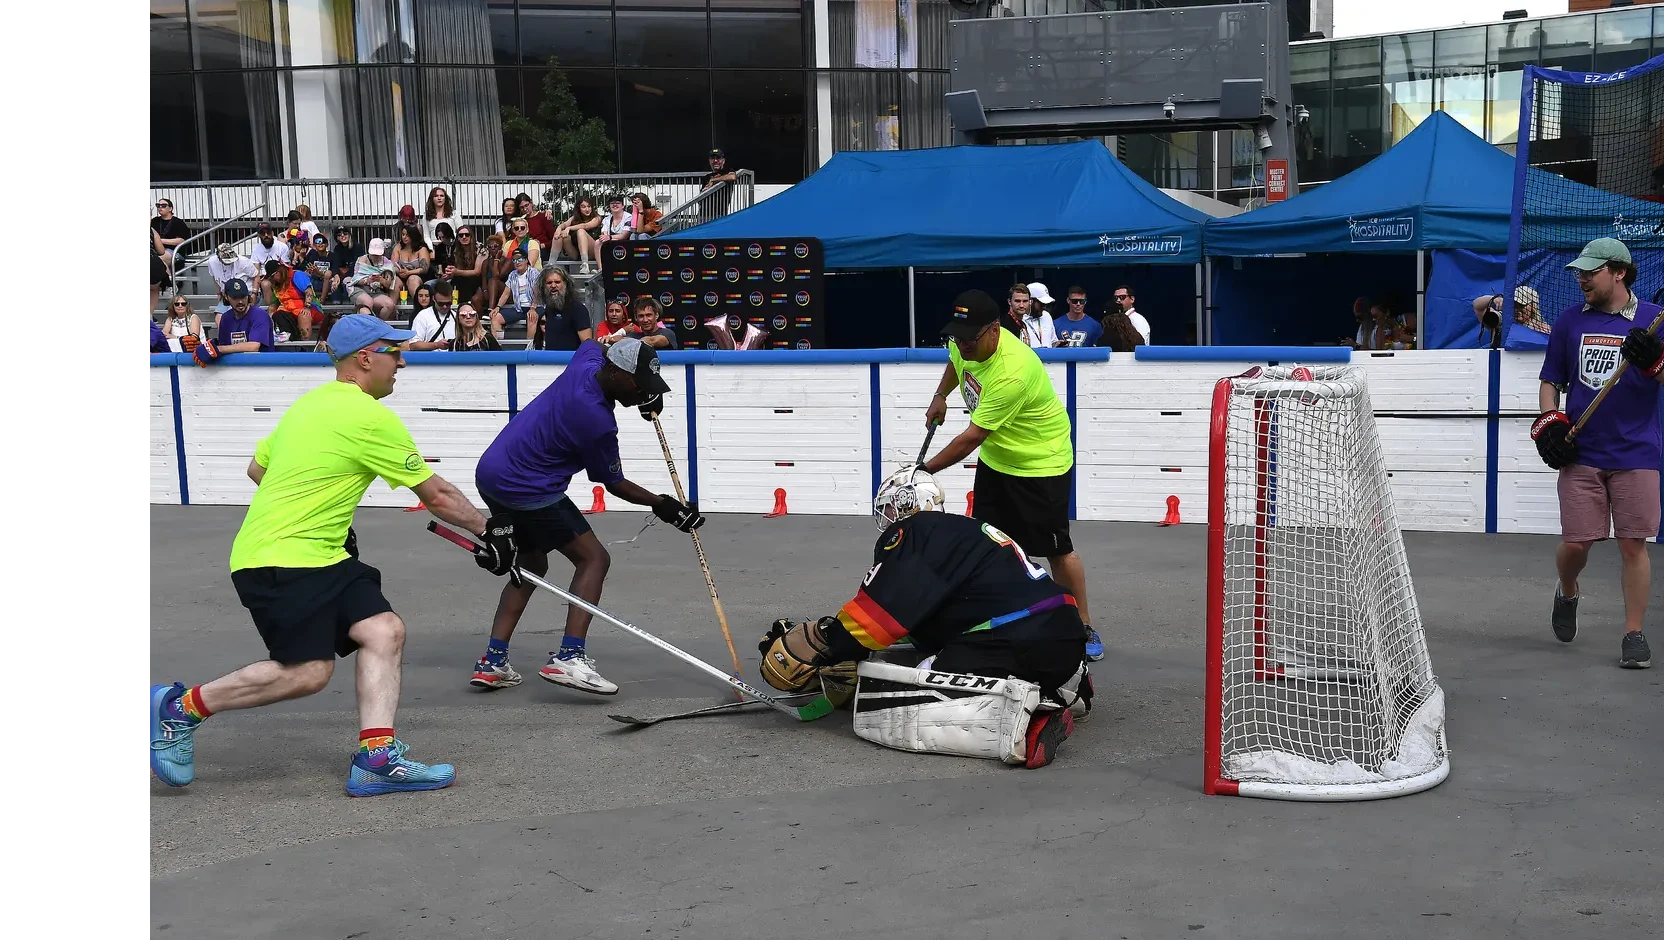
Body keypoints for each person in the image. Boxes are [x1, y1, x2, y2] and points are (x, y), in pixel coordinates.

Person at [147, 314, 520, 796]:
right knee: (308, 673)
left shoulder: (308, 405)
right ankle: (182, 708)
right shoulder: (369, 417)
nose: (402, 363)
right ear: (365, 359)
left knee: (383, 630)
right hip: (282, 560)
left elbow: (258, 469)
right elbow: (436, 495)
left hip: (321, 553)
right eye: (394, 352)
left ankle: (376, 759)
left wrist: (322, 517)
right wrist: (491, 532)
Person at [756, 468, 1092, 770]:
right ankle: (1067, 686)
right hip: (1061, 635)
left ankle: (1034, 722)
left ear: (904, 505)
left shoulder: (915, 533)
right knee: (941, 651)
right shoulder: (962, 531)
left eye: (889, 509)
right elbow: (919, 625)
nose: (887, 518)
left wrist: (821, 643)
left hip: (1019, 634)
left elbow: (875, 620)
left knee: (910, 689)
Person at [468, 338, 705, 695]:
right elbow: (614, 483)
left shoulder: (587, 360)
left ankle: (493, 662)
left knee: (531, 564)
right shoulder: (596, 421)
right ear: (616, 373)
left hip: (493, 472)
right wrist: (663, 505)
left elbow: (596, 341)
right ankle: (569, 657)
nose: (644, 391)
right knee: (594, 558)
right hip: (527, 486)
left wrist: (644, 379)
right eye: (639, 384)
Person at [1529, 237, 1664, 670]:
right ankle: (1567, 590)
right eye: (1580, 272)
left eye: (1591, 271)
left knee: (1633, 544)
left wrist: (1655, 360)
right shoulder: (1569, 322)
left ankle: (1633, 634)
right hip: (1581, 452)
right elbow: (1551, 380)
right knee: (1576, 543)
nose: (1582, 279)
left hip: (1637, 453)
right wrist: (1551, 422)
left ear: (1619, 272)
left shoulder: (1656, 320)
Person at [923, 289, 1102, 663]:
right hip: (998, 459)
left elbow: (972, 436)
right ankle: (991, 619)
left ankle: (1083, 624)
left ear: (993, 330)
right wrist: (940, 395)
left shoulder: (1013, 371)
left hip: (1040, 464)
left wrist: (922, 471)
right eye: (957, 337)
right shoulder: (965, 340)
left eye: (970, 339)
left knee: (1057, 550)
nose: (962, 345)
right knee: (988, 545)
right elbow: (956, 360)